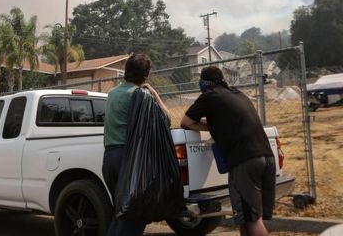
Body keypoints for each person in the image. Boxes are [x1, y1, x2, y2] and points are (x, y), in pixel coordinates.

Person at [180, 66, 275, 236]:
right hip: (267, 156)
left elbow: (185, 122)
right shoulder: (238, 94)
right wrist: (218, 125)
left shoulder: (209, 96)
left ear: (204, 82)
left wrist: (209, 127)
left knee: (252, 219)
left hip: (245, 161)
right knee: (245, 218)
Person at [102, 53, 170, 235]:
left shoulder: (112, 93)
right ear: (145, 75)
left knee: (121, 214)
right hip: (130, 161)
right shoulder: (141, 95)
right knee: (134, 217)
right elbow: (166, 119)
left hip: (109, 159)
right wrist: (154, 93)